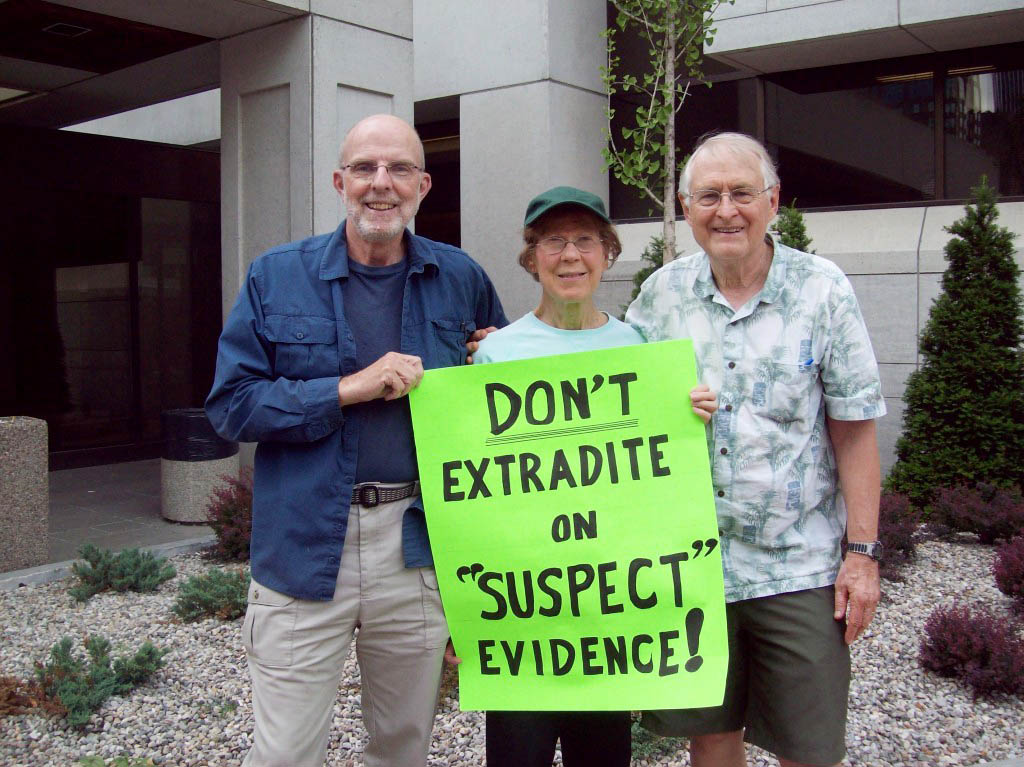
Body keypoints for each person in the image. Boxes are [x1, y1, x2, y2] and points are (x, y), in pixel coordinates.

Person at [205, 113, 506, 767]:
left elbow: (503, 415)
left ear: (423, 185)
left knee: (402, 748)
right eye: (365, 168)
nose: (381, 183)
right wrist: (346, 389)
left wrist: (494, 364)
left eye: (399, 168)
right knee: (284, 754)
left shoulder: (461, 279)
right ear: (340, 182)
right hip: (304, 537)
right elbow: (231, 406)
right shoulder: (275, 276)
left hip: (416, 543)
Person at [626, 132, 886, 767]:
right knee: (711, 738)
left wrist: (862, 556)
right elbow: (612, 404)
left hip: (797, 565)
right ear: (686, 208)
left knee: (809, 747)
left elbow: (854, 429)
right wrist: (505, 355)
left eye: (742, 193)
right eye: (708, 196)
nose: (726, 211)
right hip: (691, 565)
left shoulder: (823, 290)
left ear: (772, 201)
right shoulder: (661, 296)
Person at [464, 186, 717, 767]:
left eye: (585, 240)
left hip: (611, 611)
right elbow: (479, 491)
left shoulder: (638, 347)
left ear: (607, 253)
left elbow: (657, 475)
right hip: (526, 611)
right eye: (554, 241)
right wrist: (469, 609)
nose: (570, 255)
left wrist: (689, 415)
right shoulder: (497, 355)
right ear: (532, 258)